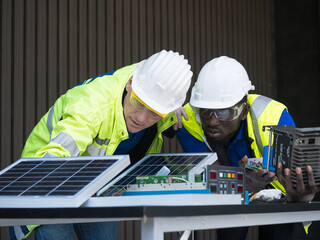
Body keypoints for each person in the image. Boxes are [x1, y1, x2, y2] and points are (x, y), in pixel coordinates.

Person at [9, 50, 193, 240]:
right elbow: (59, 151)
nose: (141, 118)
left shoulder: (161, 98)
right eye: (138, 103)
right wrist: (43, 179)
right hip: (53, 178)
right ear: (130, 83)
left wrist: (166, 111)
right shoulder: (92, 104)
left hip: (98, 184)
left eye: (154, 113)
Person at [173, 56, 319, 239]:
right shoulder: (187, 120)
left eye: (224, 112)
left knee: (280, 226)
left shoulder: (274, 117)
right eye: (205, 111)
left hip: (279, 195)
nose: (212, 121)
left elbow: (295, 182)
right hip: (232, 194)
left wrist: (299, 194)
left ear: (243, 111)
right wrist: (244, 183)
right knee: (230, 227)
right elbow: (215, 181)